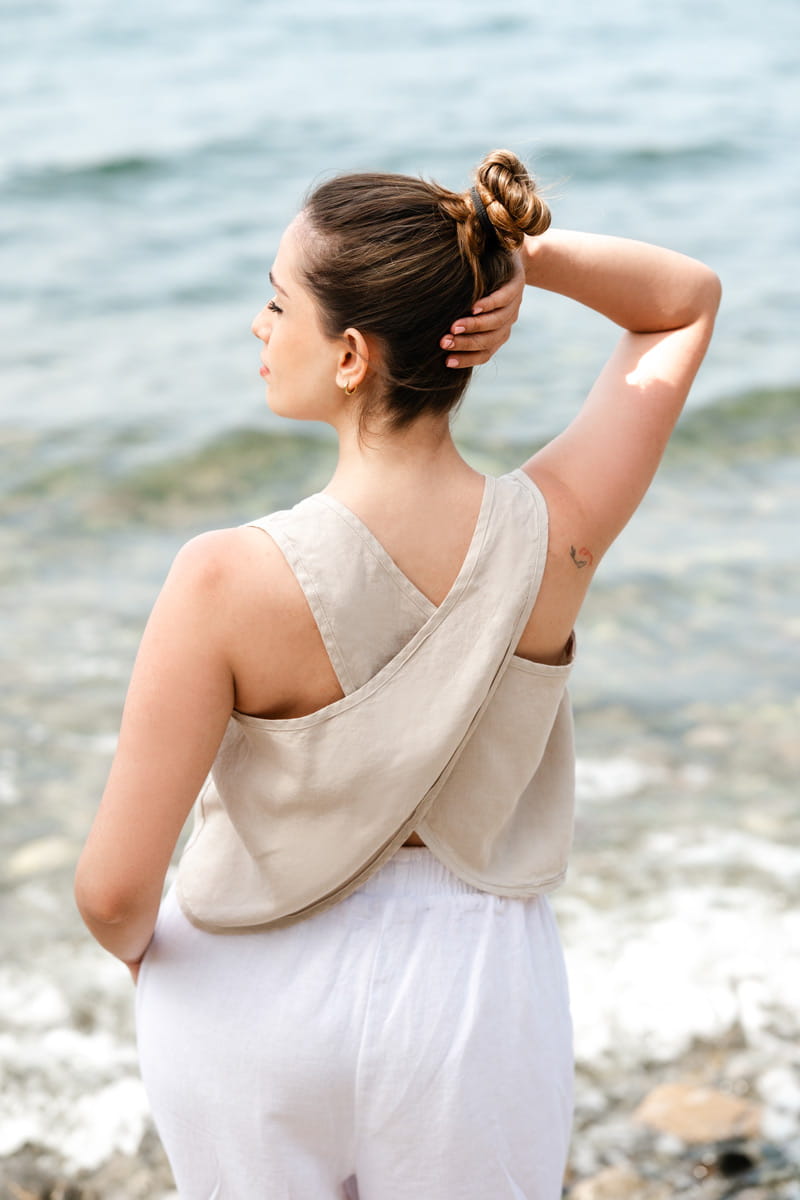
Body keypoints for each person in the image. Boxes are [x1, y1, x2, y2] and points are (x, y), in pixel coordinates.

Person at [75, 149, 720, 1199]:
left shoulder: (223, 578)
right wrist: (519, 264)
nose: (258, 325)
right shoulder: (556, 528)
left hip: (247, 986)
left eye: (278, 303)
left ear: (348, 357)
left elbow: (111, 890)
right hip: (474, 995)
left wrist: (174, 969)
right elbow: (680, 305)